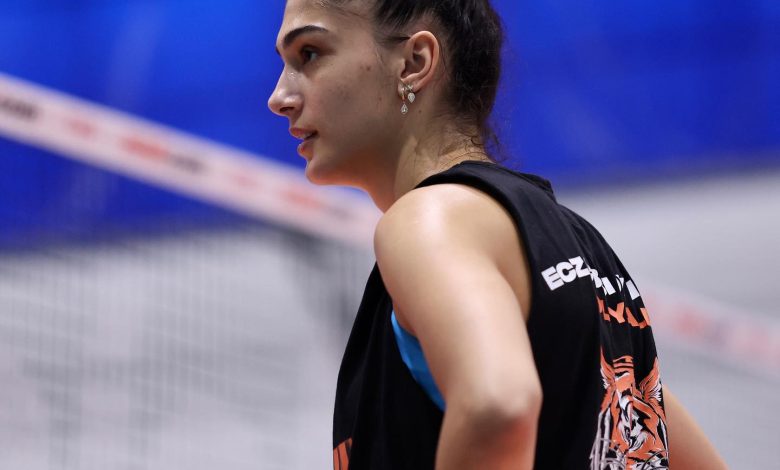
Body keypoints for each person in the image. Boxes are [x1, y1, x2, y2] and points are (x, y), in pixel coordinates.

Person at [268, 0, 727, 468]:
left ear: (414, 62)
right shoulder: (579, 243)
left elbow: (498, 405)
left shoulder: (428, 221)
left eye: (310, 54)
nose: (279, 97)